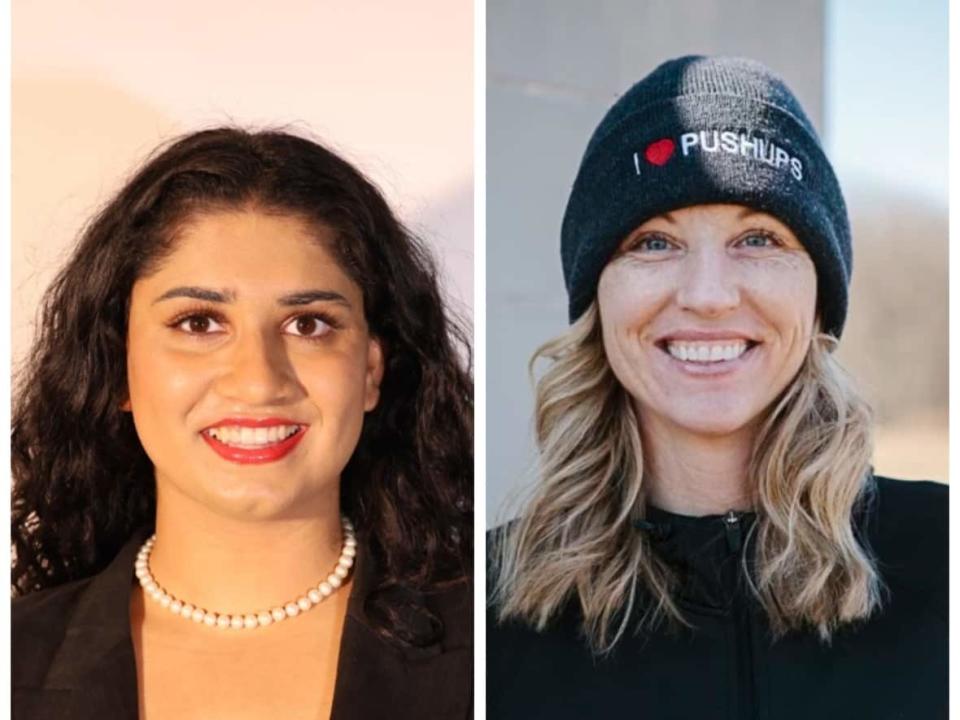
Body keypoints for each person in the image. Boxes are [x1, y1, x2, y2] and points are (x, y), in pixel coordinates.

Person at [488, 56, 946, 719]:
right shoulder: (485, 612)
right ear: (598, 300)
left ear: (819, 297)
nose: (707, 295)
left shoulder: (942, 558)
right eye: (653, 243)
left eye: (758, 237)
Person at [12, 128, 473, 720]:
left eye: (308, 324)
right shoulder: (16, 661)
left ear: (370, 372)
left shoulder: (486, 654)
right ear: (118, 368)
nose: (258, 381)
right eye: (200, 323)